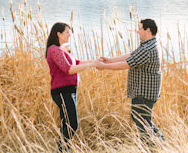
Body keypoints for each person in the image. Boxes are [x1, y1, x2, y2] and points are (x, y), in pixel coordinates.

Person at [96, 18, 165, 146]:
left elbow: (126, 64)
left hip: (144, 93)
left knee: (141, 120)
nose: (137, 31)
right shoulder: (148, 44)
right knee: (142, 119)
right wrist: (110, 60)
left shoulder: (148, 48)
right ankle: (161, 143)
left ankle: (151, 146)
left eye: (140, 29)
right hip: (145, 91)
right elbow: (132, 55)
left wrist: (104, 66)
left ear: (147, 30)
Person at [46, 22, 95, 152]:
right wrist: (90, 65)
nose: (70, 35)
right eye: (67, 32)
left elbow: (76, 63)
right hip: (62, 91)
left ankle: (63, 149)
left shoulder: (62, 49)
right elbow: (68, 69)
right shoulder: (54, 50)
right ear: (59, 34)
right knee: (72, 124)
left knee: (67, 124)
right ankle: (63, 150)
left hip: (70, 90)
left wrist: (94, 61)